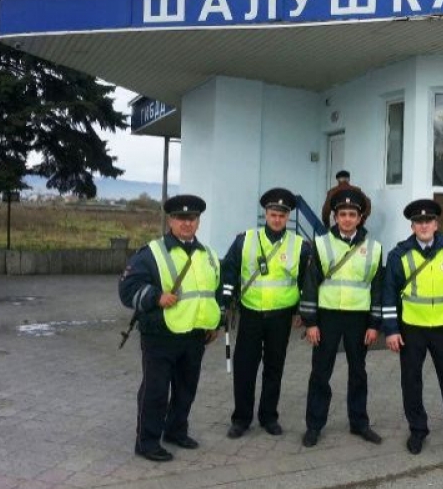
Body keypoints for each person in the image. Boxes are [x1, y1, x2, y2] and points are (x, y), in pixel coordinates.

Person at [118, 194, 222, 462]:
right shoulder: (151, 253)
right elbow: (127, 289)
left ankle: (176, 431)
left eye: (192, 219)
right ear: (170, 220)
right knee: (155, 390)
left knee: (186, 388)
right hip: (160, 335)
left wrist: (215, 322)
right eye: (181, 218)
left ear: (198, 221)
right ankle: (147, 442)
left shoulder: (208, 254)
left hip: (195, 335)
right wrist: (155, 296)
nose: (187, 224)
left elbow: (213, 292)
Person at [382, 198, 443, 461]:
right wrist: (391, 330)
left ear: (436, 224)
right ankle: (417, 430)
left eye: (428, 221)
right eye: (418, 221)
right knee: (411, 383)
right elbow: (388, 295)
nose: (424, 225)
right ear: (412, 226)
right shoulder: (399, 254)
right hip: (411, 328)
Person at [221, 188, 312, 439]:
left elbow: (306, 282)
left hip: (281, 317)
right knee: (245, 368)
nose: (277, 219)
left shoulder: (300, 246)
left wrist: (301, 312)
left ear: (288, 217)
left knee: (274, 368)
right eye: (273, 214)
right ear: (266, 214)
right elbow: (229, 271)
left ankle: (269, 416)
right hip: (250, 314)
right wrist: (225, 301)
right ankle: (241, 419)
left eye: (282, 216)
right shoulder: (245, 240)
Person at [300, 188, 383, 448]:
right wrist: (311, 322)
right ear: (335, 217)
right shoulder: (321, 244)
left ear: (360, 218)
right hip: (328, 316)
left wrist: (374, 325)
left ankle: (359, 423)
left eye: (352, 214)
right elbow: (310, 285)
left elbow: (378, 289)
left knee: (358, 372)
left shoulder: (374, 247)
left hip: (358, 318)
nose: (347, 219)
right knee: (320, 372)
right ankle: (314, 425)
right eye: (342, 214)